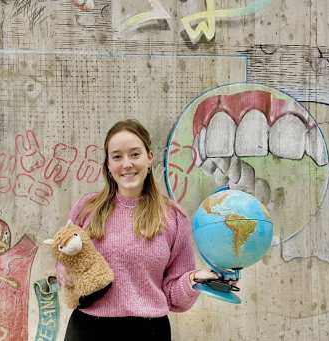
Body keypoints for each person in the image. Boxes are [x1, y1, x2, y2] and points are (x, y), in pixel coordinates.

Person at [58, 119, 227, 341]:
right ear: (108, 164)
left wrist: (195, 279)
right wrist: (68, 276)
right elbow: (63, 265)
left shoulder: (173, 217)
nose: (126, 164)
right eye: (117, 156)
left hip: (149, 332)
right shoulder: (87, 208)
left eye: (135, 154)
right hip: (87, 330)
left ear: (149, 158)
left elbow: (174, 296)